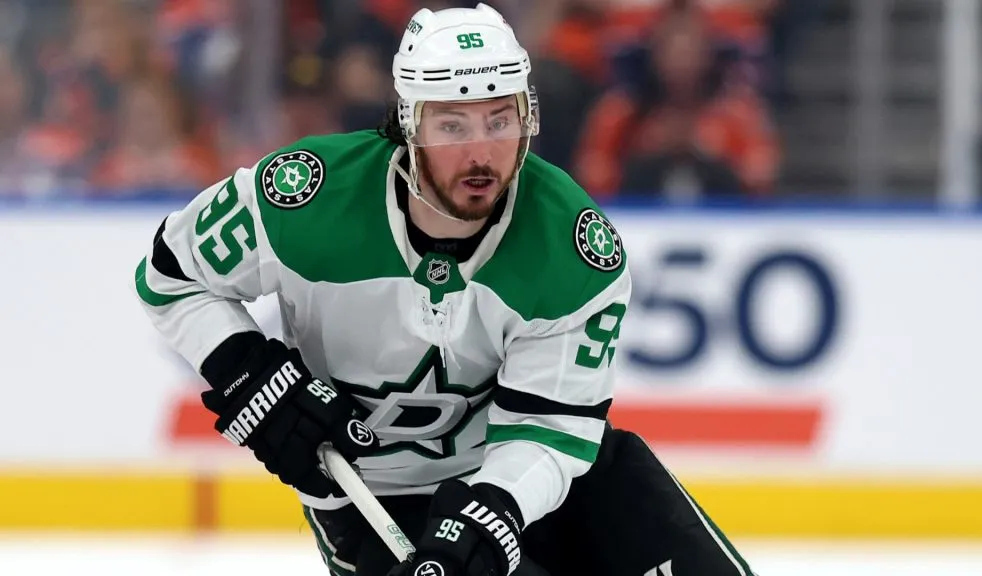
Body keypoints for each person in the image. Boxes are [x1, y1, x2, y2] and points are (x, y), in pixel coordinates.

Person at [134, 3, 755, 575]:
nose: (481, 154)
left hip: (530, 490)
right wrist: (246, 369)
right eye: (452, 126)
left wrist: (491, 514)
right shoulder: (303, 199)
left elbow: (549, 430)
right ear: (407, 124)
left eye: (499, 120)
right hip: (367, 500)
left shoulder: (572, 248)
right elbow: (170, 276)